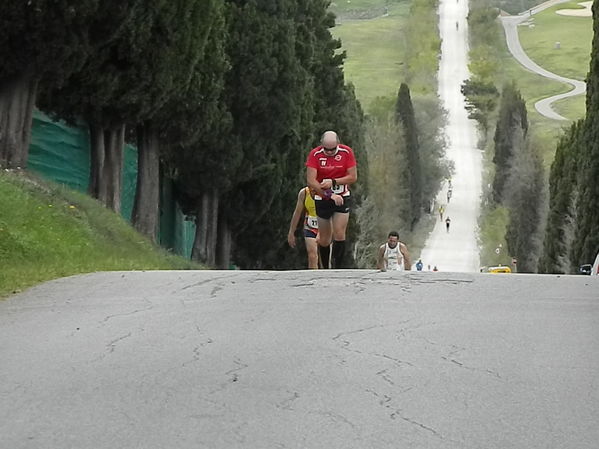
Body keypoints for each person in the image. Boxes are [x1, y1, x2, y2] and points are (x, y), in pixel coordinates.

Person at [306, 131, 357, 269]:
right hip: (322, 197)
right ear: (322, 145)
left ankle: (337, 268)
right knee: (324, 238)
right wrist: (328, 194)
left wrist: (333, 182)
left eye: (333, 149)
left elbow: (352, 177)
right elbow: (311, 180)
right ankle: (326, 268)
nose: (329, 152)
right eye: (326, 149)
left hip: (341, 195)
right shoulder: (315, 154)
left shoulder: (346, 152)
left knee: (340, 233)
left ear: (338, 144)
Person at [287, 186, 319, 269]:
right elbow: (297, 213)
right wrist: (291, 232)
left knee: (325, 257)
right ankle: (314, 277)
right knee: (312, 255)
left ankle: (326, 278)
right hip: (310, 226)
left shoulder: (327, 192)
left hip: (325, 227)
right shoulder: (304, 193)